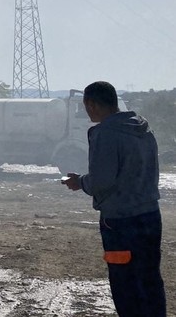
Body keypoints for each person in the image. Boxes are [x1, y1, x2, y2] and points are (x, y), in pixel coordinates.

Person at [62, 81, 165, 316]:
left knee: (125, 284)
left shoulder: (106, 133)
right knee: (149, 280)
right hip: (150, 215)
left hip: (120, 222)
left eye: (85, 107)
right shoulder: (143, 128)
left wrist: (80, 182)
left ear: (92, 104)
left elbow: (101, 180)